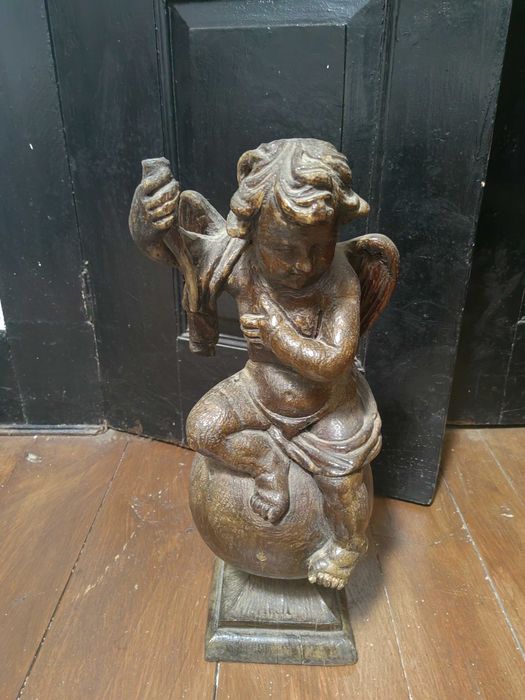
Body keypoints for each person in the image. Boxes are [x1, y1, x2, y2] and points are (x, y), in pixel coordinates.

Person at [130, 138, 394, 589]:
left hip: (327, 405)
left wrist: (279, 337)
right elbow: (176, 251)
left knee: (343, 484)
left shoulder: (339, 280)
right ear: (253, 231)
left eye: (319, 247)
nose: (302, 264)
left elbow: (334, 362)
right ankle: (265, 461)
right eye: (283, 248)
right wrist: (148, 221)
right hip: (258, 390)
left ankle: (348, 544)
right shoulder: (240, 260)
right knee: (203, 429)